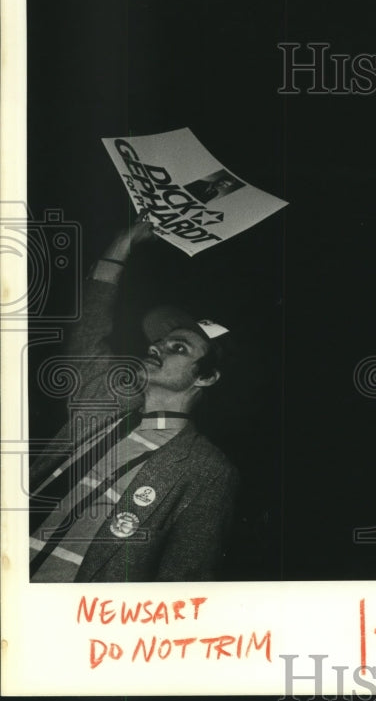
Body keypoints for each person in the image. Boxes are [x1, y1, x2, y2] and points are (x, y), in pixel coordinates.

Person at [29, 221, 239, 581]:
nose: (156, 346)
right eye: (160, 341)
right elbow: (89, 328)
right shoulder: (104, 401)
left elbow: (181, 582)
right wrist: (122, 243)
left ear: (206, 376)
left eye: (179, 348)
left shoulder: (208, 471)